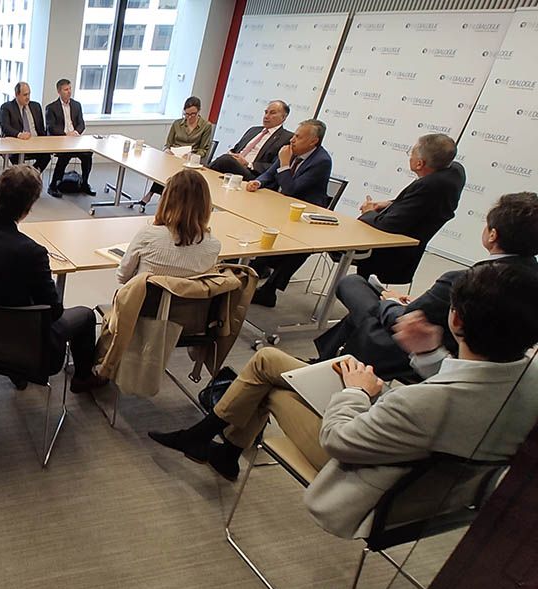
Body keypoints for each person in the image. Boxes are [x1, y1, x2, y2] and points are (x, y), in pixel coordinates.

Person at [148, 262, 538, 539]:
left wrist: (356, 393)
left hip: (367, 483)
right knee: (270, 362)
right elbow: (469, 386)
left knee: (272, 380)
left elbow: (340, 442)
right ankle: (220, 449)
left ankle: (213, 441)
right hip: (431, 495)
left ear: (454, 320)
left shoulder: (425, 405)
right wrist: (427, 355)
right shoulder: (529, 382)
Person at [315, 192, 538, 381]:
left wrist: (390, 302)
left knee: (353, 285)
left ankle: (325, 369)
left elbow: (404, 321)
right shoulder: (529, 276)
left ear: (492, 234)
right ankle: (323, 362)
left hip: (423, 350)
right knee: (366, 305)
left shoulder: (466, 280)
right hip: (484, 362)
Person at [0, 166, 107, 393]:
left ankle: (17, 373)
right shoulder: (31, 252)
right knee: (86, 315)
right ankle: (82, 379)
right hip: (26, 348)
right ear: (28, 209)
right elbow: (54, 311)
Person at [354, 133, 466, 284]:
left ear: (420, 164)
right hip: (410, 246)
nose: (409, 156)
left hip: (392, 252)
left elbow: (388, 225)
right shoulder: (455, 171)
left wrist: (369, 212)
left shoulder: (428, 186)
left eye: (411, 153)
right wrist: (390, 203)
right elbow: (421, 203)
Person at [245, 119, 334, 307]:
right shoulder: (290, 151)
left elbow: (291, 189)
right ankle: (250, 271)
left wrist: (285, 164)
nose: (292, 140)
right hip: (281, 208)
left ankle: (269, 290)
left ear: (313, 141)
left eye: (298, 137)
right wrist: (258, 182)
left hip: (305, 216)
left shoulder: (322, 161)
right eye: (294, 135)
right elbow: (269, 174)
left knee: (299, 248)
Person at [116, 170, 221, 284]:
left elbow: (123, 277)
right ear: (206, 204)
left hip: (144, 301)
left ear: (166, 200)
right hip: (188, 301)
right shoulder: (213, 246)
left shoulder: (148, 235)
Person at [137, 96, 214, 210]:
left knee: (175, 172)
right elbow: (168, 144)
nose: (189, 117)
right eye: (186, 114)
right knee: (166, 169)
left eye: (193, 114)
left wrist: (192, 155)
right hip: (174, 156)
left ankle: (159, 196)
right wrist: (167, 150)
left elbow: (204, 149)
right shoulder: (177, 124)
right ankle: (161, 196)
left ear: (199, 111)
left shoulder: (206, 126)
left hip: (190, 160)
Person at [208, 100, 292, 180]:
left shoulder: (286, 138)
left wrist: (248, 164)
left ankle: (203, 173)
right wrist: (232, 154)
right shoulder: (253, 130)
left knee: (226, 160)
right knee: (226, 159)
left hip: (254, 174)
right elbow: (236, 149)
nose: (266, 116)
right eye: (266, 112)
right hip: (234, 166)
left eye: (272, 113)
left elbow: (276, 166)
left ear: (284, 117)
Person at [44, 78, 96, 199]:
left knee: (87, 154)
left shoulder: (76, 105)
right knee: (65, 155)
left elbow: (81, 124)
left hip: (75, 139)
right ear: (59, 91)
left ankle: (84, 183)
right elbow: (51, 127)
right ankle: (53, 185)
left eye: (70, 88)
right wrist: (66, 135)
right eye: (66, 89)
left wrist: (76, 132)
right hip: (60, 140)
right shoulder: (51, 108)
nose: (69, 92)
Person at [0, 82, 50, 173]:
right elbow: (5, 126)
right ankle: (25, 177)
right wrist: (19, 134)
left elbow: (41, 128)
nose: (28, 97)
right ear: (17, 95)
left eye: (29, 94)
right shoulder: (7, 107)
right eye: (25, 95)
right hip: (16, 144)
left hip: (35, 143)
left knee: (46, 156)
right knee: (17, 160)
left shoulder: (36, 106)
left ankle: (30, 175)